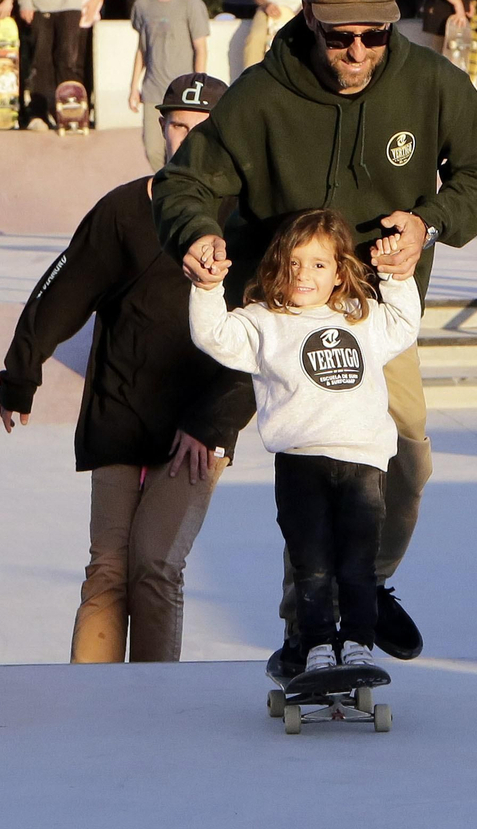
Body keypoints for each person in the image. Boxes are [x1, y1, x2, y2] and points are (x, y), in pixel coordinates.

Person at [152, 0, 477, 673]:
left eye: (374, 35)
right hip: (281, 314)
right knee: (312, 474)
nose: (357, 51)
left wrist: (430, 221)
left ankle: (364, 586)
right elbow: (183, 185)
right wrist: (196, 237)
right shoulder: (261, 95)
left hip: (373, 315)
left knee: (405, 460)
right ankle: (307, 628)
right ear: (309, 18)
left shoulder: (430, 83)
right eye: (340, 34)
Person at [0, 72, 253, 663]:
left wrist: (215, 423)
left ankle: (156, 705)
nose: (188, 140)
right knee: (108, 569)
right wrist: (21, 374)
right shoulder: (124, 209)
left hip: (197, 425)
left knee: (156, 565)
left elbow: (265, 332)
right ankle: (93, 701)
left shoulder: (249, 220)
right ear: (161, 127)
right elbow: (60, 292)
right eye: (178, 126)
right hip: (120, 410)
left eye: (203, 130)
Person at [189, 208, 420, 673]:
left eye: (318, 264)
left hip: (363, 463)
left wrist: (396, 278)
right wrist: (207, 288)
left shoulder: (362, 316)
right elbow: (213, 335)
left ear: (339, 273)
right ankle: (314, 646)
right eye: (294, 262)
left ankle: (357, 644)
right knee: (310, 564)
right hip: (300, 464)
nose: (303, 274)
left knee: (357, 564)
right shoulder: (264, 322)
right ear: (278, 265)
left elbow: (403, 324)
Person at [131, 0, 210, 166]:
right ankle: (165, 189)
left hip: (182, 92)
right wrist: (133, 87)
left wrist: (198, 85)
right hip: (153, 90)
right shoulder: (142, 4)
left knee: (183, 151)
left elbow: (201, 48)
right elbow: (142, 49)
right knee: (153, 150)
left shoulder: (191, 3)